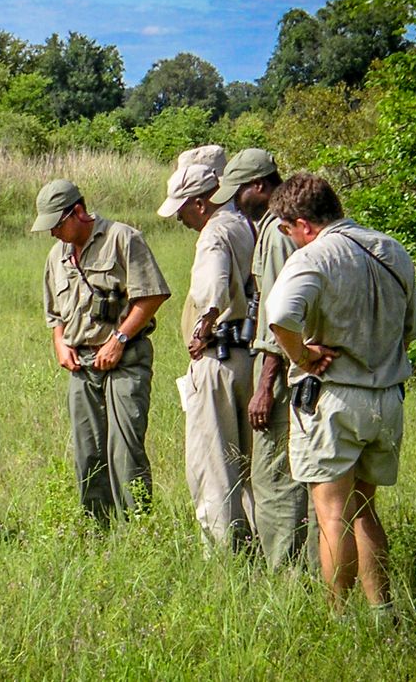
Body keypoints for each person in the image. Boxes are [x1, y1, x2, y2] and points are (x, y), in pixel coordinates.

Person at [265, 173, 416, 616]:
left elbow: (280, 317)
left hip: (333, 398)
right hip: (388, 398)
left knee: (331, 514)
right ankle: (381, 612)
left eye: (287, 231)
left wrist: (303, 357)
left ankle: (337, 617)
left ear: (302, 224)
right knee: (365, 509)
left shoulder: (314, 255)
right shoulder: (392, 249)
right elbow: (412, 330)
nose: (290, 240)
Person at [33, 179, 171, 524]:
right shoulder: (57, 255)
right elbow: (54, 313)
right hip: (81, 364)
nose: (53, 233)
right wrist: (60, 342)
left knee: (125, 449)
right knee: (88, 450)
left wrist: (118, 340)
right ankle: (97, 528)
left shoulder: (123, 238)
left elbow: (151, 295)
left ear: (78, 211)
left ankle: (138, 527)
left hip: (124, 359)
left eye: (57, 224)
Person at [211, 148, 316, 569]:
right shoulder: (288, 227)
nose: (235, 202)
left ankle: (283, 571)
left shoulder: (275, 231)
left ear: (260, 186)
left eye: (239, 192)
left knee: (274, 476)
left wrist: (263, 386)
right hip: (300, 364)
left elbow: (277, 316)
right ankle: (311, 569)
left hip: (281, 369)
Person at [157, 161, 257, 552]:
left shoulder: (214, 232)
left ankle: (223, 553)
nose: (179, 217)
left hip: (218, 359)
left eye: (181, 207)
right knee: (249, 463)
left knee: (213, 465)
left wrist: (203, 327)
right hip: (250, 356)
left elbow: (213, 285)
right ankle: (257, 543)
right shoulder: (245, 224)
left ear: (200, 203)